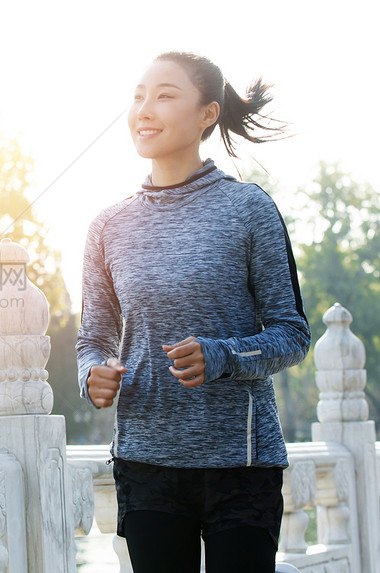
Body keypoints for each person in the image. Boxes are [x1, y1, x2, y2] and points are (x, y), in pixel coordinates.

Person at [76, 52, 310, 573]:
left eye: (164, 94)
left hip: (240, 465)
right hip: (145, 462)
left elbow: (292, 334)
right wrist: (90, 374)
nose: (144, 109)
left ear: (207, 113)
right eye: (138, 95)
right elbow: (93, 336)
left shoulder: (250, 209)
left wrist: (221, 355)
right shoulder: (108, 226)